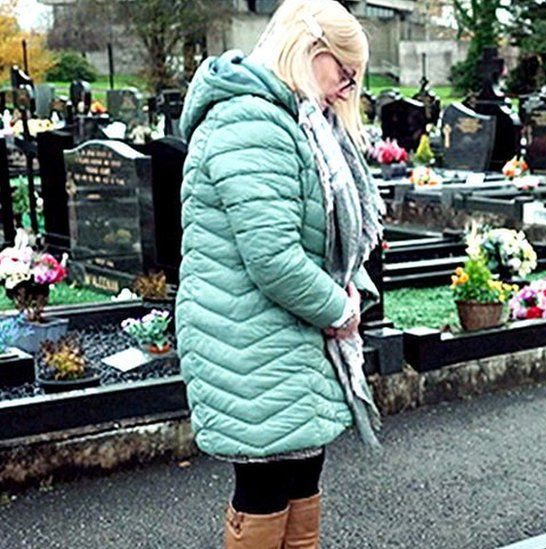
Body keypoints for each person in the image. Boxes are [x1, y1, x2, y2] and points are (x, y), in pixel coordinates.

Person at [176, 1, 384, 547]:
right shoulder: (250, 120)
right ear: (312, 50)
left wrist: (347, 288)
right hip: (249, 335)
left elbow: (318, 241)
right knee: (266, 483)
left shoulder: (292, 120)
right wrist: (340, 309)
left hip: (284, 335)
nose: (349, 88)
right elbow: (272, 257)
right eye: (346, 71)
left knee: (301, 475)